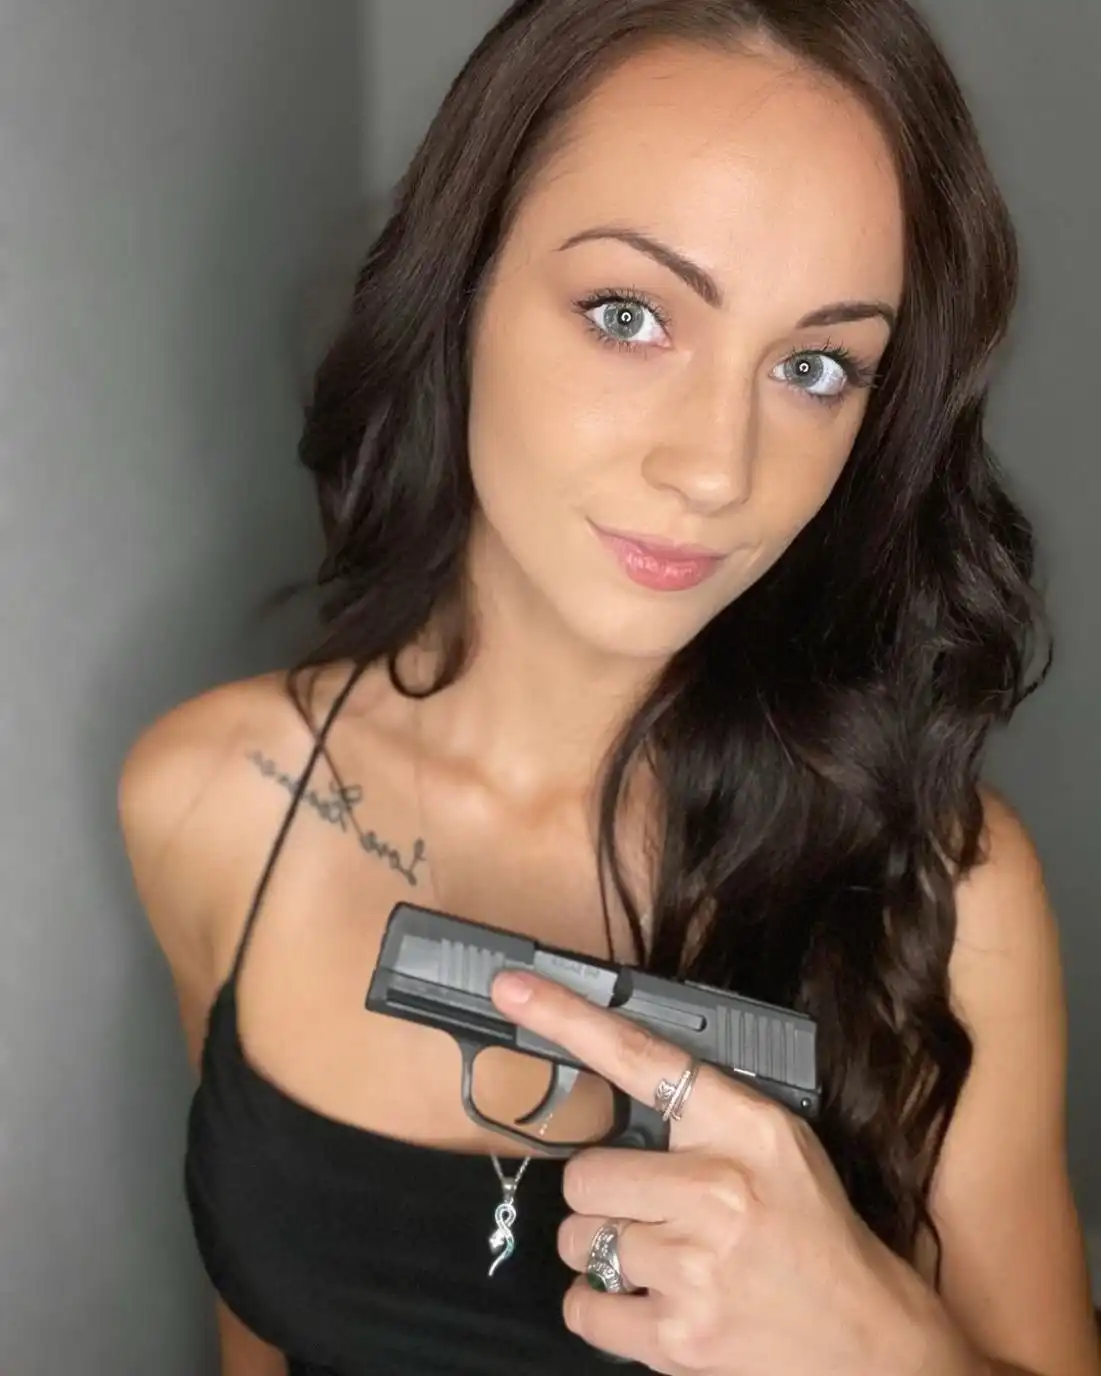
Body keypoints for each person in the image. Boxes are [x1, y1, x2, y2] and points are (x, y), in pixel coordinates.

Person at [117, 1, 1101, 1373]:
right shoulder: (209, 802)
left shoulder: (945, 894)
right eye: (630, 315)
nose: (717, 468)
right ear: (461, 286)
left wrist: (883, 1349)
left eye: (815, 366)